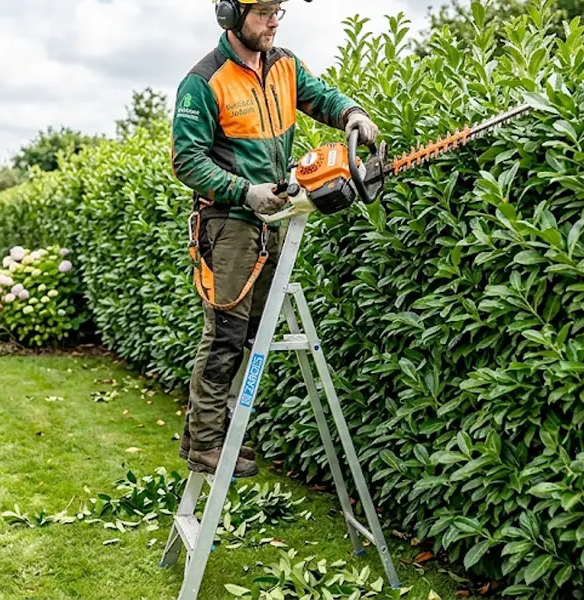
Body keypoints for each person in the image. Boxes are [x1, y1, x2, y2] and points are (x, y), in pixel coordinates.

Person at [170, 0, 380, 478]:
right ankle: (206, 444)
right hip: (228, 223)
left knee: (250, 332)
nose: (272, 21)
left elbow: (321, 96)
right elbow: (187, 160)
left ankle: (205, 432)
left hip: (273, 218)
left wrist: (351, 113)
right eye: (263, 11)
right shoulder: (203, 81)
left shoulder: (284, 65)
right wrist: (244, 191)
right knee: (225, 334)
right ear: (230, 15)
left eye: (277, 10)